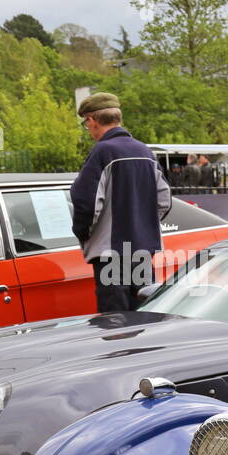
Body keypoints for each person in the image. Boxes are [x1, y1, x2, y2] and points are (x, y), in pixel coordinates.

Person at [69, 92, 171, 313]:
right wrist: (142, 225)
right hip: (143, 252)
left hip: (111, 254)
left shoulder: (103, 152)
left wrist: (84, 235)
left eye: (86, 124)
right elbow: (164, 200)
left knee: (115, 321)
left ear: (92, 120)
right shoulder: (145, 151)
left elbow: (86, 203)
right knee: (144, 316)